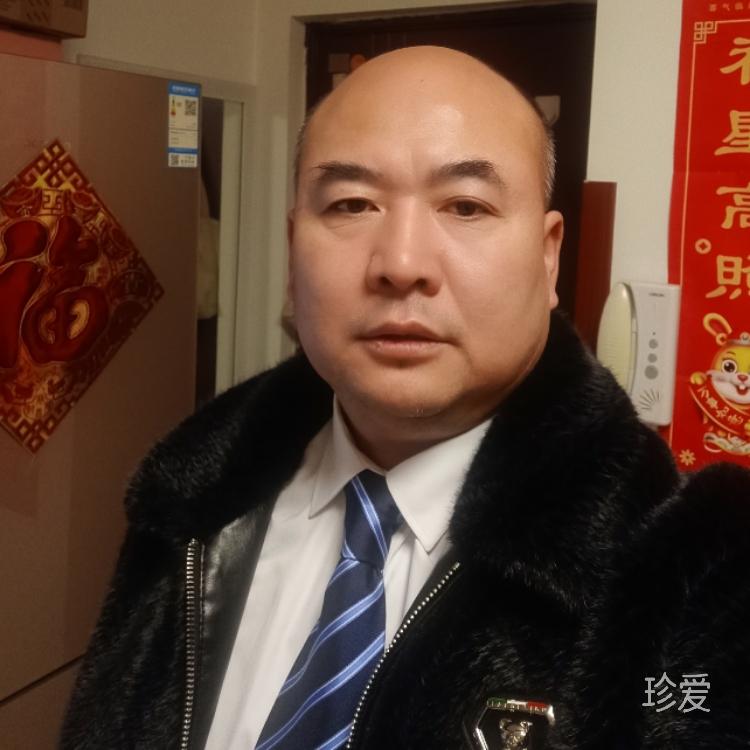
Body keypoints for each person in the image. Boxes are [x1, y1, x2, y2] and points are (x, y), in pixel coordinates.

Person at [61, 46, 750, 750]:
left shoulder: (688, 572)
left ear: (548, 259)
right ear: (293, 250)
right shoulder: (188, 500)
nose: (401, 264)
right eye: (352, 204)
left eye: (466, 206)